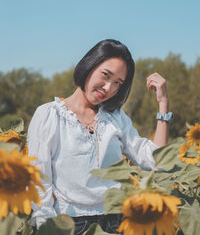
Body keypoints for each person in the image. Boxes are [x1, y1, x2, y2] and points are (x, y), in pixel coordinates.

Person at [28, 39, 172, 234]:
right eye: (106, 75)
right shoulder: (49, 115)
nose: (108, 88)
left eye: (117, 83)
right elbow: (39, 180)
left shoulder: (116, 119)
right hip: (69, 223)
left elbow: (157, 162)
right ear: (90, 65)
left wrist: (163, 104)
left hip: (117, 223)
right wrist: (47, 226)